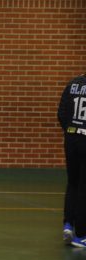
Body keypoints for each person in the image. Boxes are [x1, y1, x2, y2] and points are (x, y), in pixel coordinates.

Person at [58, 73, 86, 248]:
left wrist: (71, 130)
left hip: (70, 137)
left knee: (73, 182)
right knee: (84, 186)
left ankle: (68, 224)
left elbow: (61, 113)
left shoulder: (73, 84)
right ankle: (82, 234)